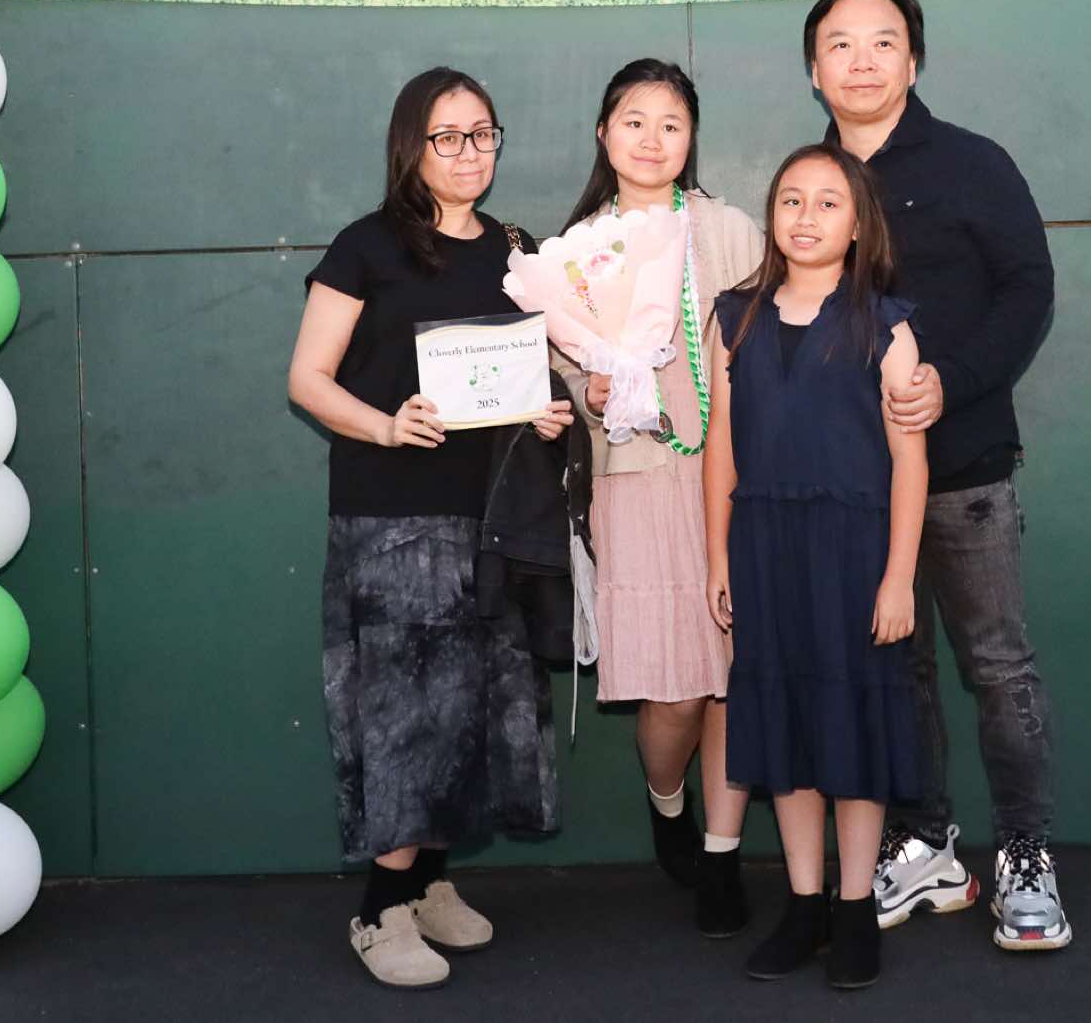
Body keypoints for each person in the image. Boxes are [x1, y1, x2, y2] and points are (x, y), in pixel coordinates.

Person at [288, 66, 576, 991]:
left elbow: (525, 377)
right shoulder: (365, 247)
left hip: (491, 516)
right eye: (447, 136)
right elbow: (307, 378)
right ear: (411, 145)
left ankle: (428, 882)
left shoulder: (516, 249)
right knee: (405, 713)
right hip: (392, 516)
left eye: (483, 133)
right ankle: (379, 907)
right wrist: (384, 425)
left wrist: (545, 411)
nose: (468, 152)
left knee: (476, 703)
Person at [801, 0, 1068, 951]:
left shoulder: (972, 163)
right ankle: (925, 845)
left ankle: (1027, 855)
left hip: (963, 468)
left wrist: (950, 383)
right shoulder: (809, 184)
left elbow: (1027, 289)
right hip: (854, 484)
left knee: (998, 667)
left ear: (912, 61)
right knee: (895, 669)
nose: (861, 61)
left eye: (882, 41)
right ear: (814, 70)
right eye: (839, 44)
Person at [703, 143, 926, 990]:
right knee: (788, 725)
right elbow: (719, 450)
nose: (806, 216)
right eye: (791, 199)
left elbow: (910, 462)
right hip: (765, 550)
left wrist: (898, 576)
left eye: (829, 202)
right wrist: (718, 555)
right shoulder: (736, 316)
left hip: (856, 554)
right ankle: (804, 904)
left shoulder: (886, 323)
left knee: (855, 728)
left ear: (860, 223)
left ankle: (855, 905)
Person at [553, 58, 763, 936]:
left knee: (735, 676)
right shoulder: (576, 248)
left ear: (691, 138)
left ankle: (722, 854)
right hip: (636, 477)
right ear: (604, 133)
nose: (652, 138)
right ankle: (667, 796)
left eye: (671, 123)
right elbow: (560, 371)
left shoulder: (731, 230)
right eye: (634, 120)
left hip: (738, 475)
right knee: (676, 688)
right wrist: (589, 391)